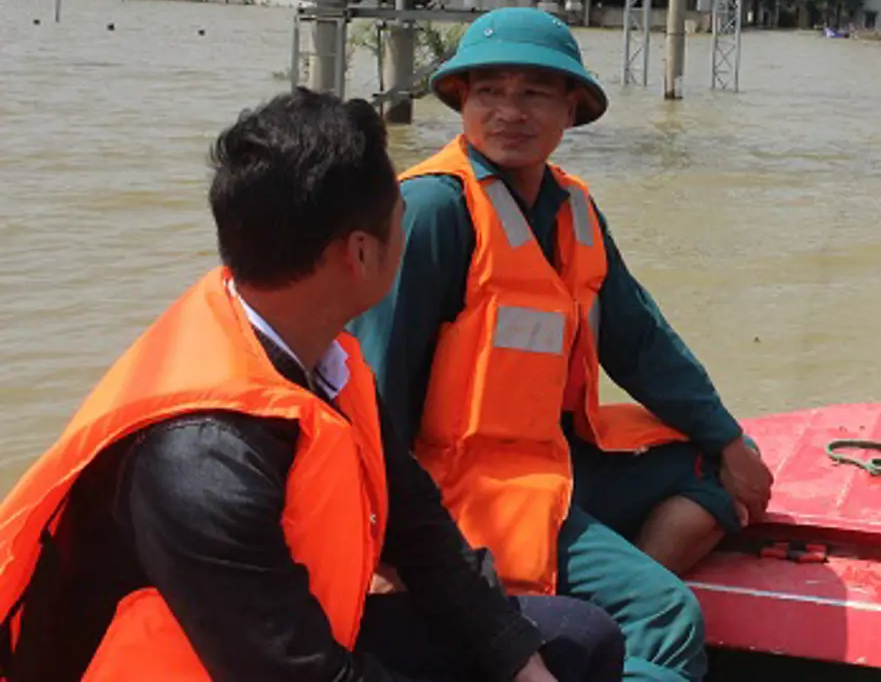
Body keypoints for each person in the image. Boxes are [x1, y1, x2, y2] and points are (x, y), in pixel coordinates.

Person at [0, 89, 623, 682]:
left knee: (575, 640)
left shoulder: (322, 358)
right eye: (399, 221)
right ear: (360, 254)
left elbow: (422, 534)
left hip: (294, 639)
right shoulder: (199, 459)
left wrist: (519, 662)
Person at [350, 7, 774, 682]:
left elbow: (641, 342)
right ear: (462, 102)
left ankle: (572, 615)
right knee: (665, 615)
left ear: (571, 109)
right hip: (462, 490)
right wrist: (386, 550)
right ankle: (594, 612)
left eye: (534, 93)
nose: (509, 111)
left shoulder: (572, 208)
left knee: (718, 471)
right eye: (489, 91)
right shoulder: (434, 212)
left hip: (554, 463)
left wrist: (726, 440)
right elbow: (370, 394)